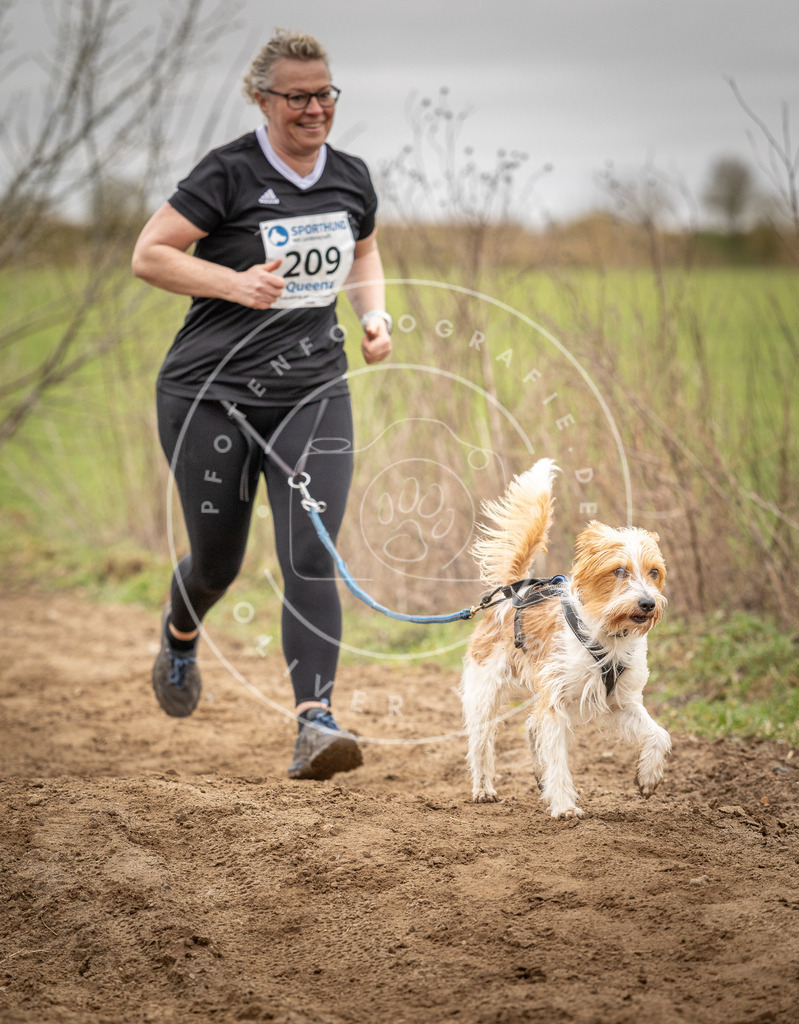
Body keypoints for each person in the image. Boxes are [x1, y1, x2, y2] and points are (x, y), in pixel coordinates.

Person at [131, 29, 392, 781]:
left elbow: (364, 248)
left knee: (310, 551)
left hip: (312, 387)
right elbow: (150, 254)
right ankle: (181, 633)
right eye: (298, 97)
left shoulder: (350, 176)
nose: (315, 109)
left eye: (325, 94)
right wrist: (234, 283)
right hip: (209, 395)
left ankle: (315, 722)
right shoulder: (228, 174)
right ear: (263, 100)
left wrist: (372, 314)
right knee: (219, 561)